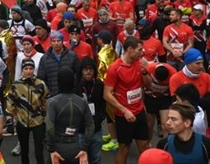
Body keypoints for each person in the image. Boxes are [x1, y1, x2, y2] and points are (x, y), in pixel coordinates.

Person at [103, 36, 151, 164]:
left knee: (145, 145)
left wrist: (145, 73)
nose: (142, 53)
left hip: (139, 111)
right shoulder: (115, 68)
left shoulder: (139, 63)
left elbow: (148, 85)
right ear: (129, 49)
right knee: (124, 148)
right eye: (139, 50)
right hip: (124, 115)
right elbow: (107, 94)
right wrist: (124, 111)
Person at [45, 67, 94, 164]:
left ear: (59, 81)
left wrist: (51, 149)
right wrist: (84, 148)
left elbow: (50, 128)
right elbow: (91, 126)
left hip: (58, 147)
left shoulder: (52, 102)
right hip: (76, 147)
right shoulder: (82, 101)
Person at [7, 59, 49, 164]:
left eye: (31, 68)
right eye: (26, 69)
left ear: (34, 69)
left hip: (38, 122)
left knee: (39, 152)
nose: (29, 71)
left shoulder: (40, 84)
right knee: (24, 151)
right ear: (22, 70)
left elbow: (46, 100)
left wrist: (45, 115)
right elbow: (10, 102)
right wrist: (10, 118)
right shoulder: (16, 85)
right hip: (22, 122)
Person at [76, 58, 106, 164]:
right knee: (81, 159)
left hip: (96, 128)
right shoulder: (76, 86)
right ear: (81, 71)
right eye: (85, 69)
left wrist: (99, 118)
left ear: (94, 71)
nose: (88, 71)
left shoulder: (99, 84)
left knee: (96, 158)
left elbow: (103, 104)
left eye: (91, 69)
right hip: (80, 130)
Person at [37, 31, 78, 97]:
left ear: (62, 42)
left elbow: (77, 74)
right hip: (53, 95)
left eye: (58, 41)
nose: (56, 43)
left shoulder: (72, 56)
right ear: (51, 43)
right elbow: (41, 78)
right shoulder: (44, 58)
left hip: (70, 94)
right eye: (54, 41)